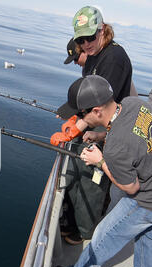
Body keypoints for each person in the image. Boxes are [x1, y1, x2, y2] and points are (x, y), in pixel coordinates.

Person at [54, 75, 152, 267]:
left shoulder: (116, 146)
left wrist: (100, 161)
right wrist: (100, 135)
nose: (79, 118)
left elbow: (130, 187)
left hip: (150, 198)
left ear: (97, 111)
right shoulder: (133, 103)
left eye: (81, 114)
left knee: (104, 234)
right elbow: (134, 135)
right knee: (151, 233)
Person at [53, 6, 134, 245]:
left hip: (106, 128)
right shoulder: (93, 56)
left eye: (90, 37)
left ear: (103, 30)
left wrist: (75, 127)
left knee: (92, 180)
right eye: (81, 39)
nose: (86, 44)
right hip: (91, 123)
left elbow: (99, 105)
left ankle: (85, 232)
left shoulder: (114, 58)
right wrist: (71, 115)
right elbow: (86, 93)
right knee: (76, 172)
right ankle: (72, 221)